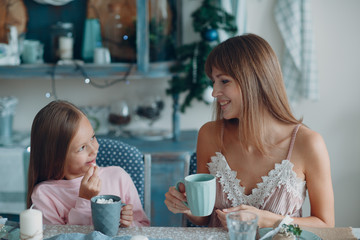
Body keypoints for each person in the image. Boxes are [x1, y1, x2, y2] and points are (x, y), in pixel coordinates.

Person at [164, 33, 334, 228]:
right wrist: (187, 208)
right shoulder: (209, 135)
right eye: (213, 81)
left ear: (255, 81)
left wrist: (266, 221)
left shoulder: (308, 143)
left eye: (224, 81)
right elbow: (204, 217)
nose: (214, 92)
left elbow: (326, 225)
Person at [27, 100, 150, 226]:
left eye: (92, 137)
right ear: (56, 158)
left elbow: (145, 226)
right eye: (82, 148)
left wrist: (129, 224)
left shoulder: (118, 177)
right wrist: (84, 200)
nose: (94, 149)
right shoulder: (45, 195)